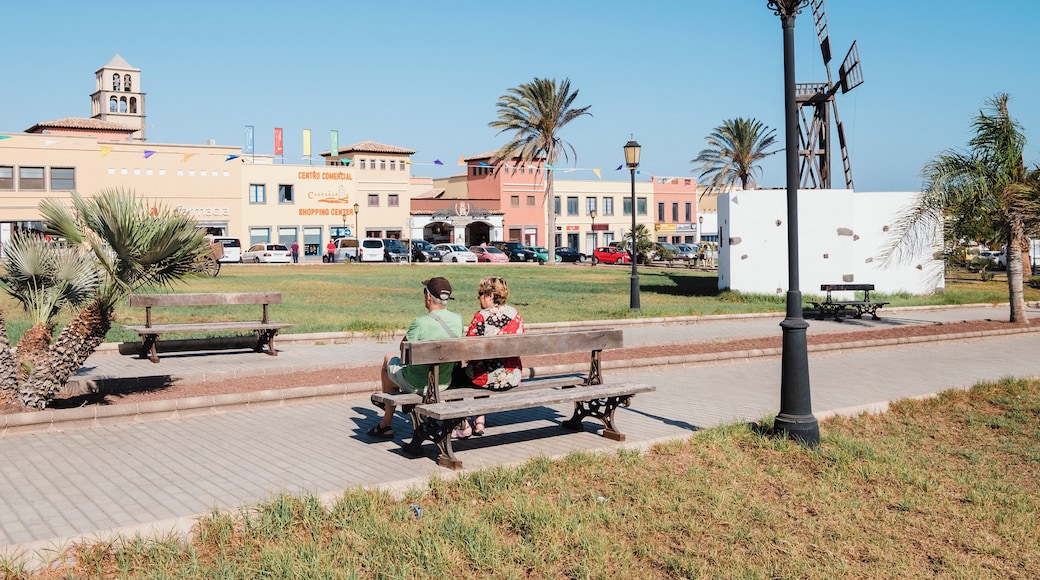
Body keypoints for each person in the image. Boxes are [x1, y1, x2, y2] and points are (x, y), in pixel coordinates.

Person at [367, 277, 464, 438]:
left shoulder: (420, 323)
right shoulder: (457, 319)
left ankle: (386, 422)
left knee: (388, 359)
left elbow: (403, 351)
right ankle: (387, 412)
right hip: (444, 382)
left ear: (428, 297)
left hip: (416, 383)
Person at [455, 275, 524, 438]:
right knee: (485, 368)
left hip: (486, 378)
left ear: (491, 296)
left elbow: (468, 348)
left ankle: (460, 422)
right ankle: (479, 420)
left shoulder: (482, 316)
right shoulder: (515, 314)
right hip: (512, 376)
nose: (478, 298)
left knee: (459, 375)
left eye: (480, 294)